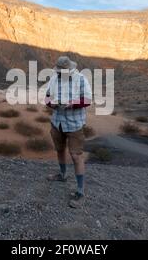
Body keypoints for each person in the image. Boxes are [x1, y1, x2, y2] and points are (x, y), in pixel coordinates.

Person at [45, 56, 92, 208]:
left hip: (74, 124)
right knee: (59, 150)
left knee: (76, 156)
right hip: (57, 122)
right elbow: (47, 98)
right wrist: (52, 104)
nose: (59, 74)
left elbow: (88, 100)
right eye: (58, 72)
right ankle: (62, 175)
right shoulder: (54, 79)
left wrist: (72, 104)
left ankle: (80, 192)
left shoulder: (81, 79)